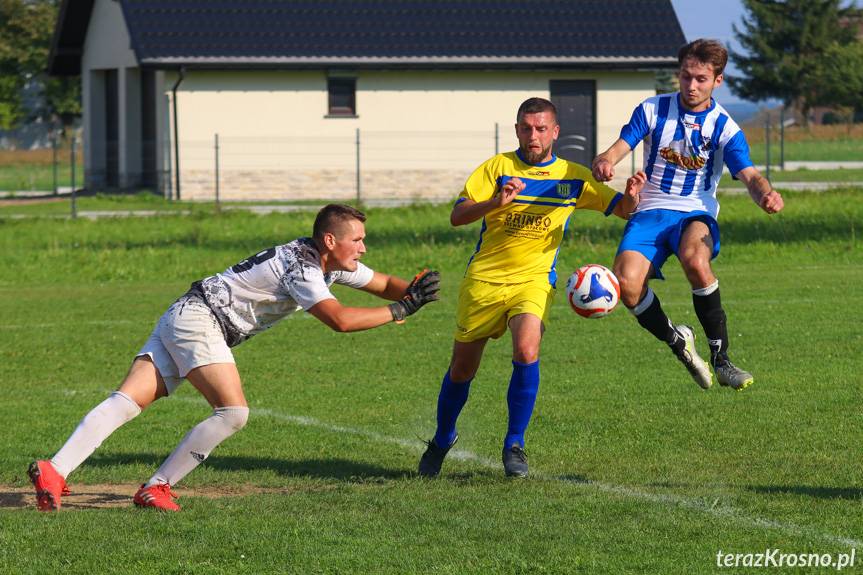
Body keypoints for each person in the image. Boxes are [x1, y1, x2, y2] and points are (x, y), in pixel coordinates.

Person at [29, 204, 440, 512]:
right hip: (202, 320)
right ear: (331, 240)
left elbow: (382, 283)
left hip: (186, 312)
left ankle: (55, 469)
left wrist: (413, 290)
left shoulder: (326, 261)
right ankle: (157, 487)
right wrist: (401, 310)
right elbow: (340, 321)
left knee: (126, 402)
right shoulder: (303, 267)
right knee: (233, 412)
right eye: (358, 240)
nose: (364, 248)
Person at [417, 97, 641, 478]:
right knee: (462, 369)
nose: (533, 136)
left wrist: (632, 196)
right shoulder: (497, 168)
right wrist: (495, 201)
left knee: (526, 348)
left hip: (534, 281)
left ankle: (514, 444)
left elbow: (621, 209)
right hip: (484, 281)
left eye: (541, 129)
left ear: (555, 132)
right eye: (526, 128)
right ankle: (442, 438)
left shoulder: (573, 176)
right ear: (517, 130)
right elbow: (457, 216)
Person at [591, 39, 784, 392]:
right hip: (650, 211)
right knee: (627, 287)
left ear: (718, 81)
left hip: (694, 211)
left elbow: (750, 176)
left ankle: (722, 359)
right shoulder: (652, 109)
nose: (691, 86)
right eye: (685, 76)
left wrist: (766, 195)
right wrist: (605, 162)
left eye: (700, 79)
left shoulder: (724, 127)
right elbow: (617, 149)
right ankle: (677, 341)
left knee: (695, 258)